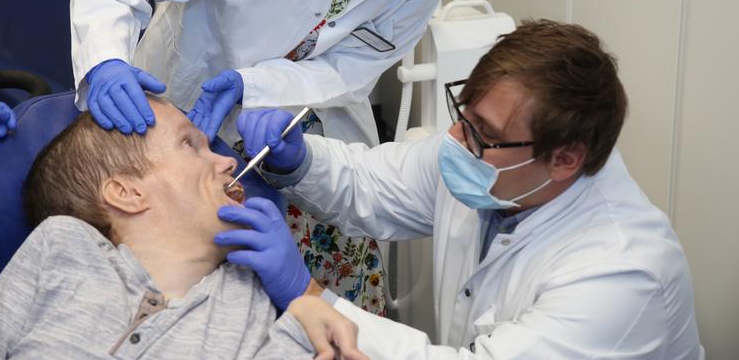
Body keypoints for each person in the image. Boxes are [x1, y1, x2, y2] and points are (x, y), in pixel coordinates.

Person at [69, 0, 549, 312]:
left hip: (308, 123)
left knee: (332, 305)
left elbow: (358, 63)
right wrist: (106, 62)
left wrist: (253, 86)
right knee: (181, 287)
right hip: (183, 100)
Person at [227, 20, 704, 359]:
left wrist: (312, 297)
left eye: (483, 132)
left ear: (564, 158)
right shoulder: (495, 165)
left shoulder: (620, 275)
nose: (455, 141)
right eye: (465, 116)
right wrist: (302, 159)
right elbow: (374, 184)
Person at [0, 96, 366, 360]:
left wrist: (309, 300)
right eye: (191, 145)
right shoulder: (62, 246)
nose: (229, 162)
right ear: (126, 192)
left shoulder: (257, 307)